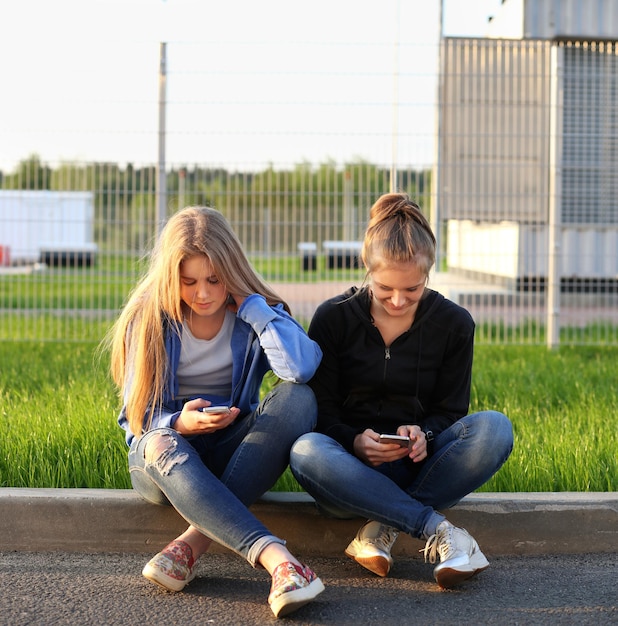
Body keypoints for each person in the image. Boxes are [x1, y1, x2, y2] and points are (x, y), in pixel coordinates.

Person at [106, 206, 325, 618]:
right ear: (171, 277)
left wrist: (253, 308)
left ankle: (191, 544)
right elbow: (135, 419)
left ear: (233, 272)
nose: (203, 293)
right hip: (163, 458)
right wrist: (179, 423)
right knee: (160, 441)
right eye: (188, 281)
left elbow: (300, 369)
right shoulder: (148, 319)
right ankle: (280, 561)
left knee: (299, 400)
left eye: (215, 279)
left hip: (227, 446)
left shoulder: (252, 313)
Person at [289, 192, 514, 590]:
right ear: (366, 268)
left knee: (494, 429)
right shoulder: (333, 318)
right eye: (384, 288)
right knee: (305, 451)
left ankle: (381, 526)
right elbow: (319, 409)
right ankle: (436, 528)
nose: (397, 300)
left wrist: (422, 433)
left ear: (429, 272)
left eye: (412, 289)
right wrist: (355, 442)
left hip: (416, 464)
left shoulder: (455, 324)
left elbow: (451, 411)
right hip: (347, 471)